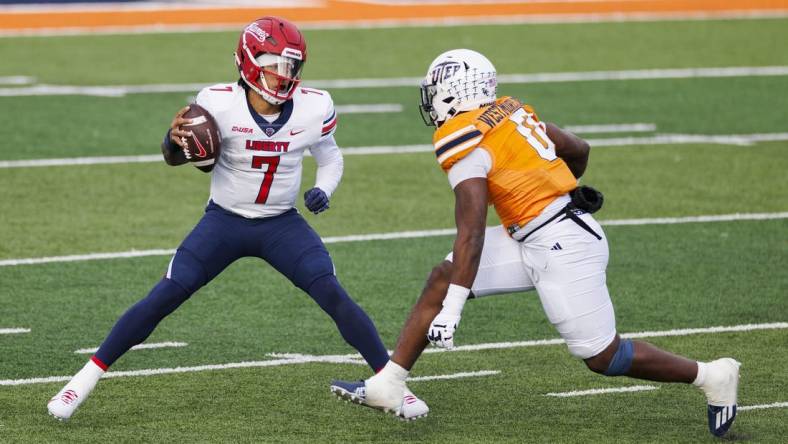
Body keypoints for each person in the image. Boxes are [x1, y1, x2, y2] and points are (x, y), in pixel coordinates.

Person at [330, 49, 740, 437]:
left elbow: (471, 230)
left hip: (564, 244)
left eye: (435, 92)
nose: (433, 101)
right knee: (443, 276)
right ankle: (390, 382)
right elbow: (578, 148)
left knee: (603, 357)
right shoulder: (510, 111)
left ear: (454, 91)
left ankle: (711, 375)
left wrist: (453, 310)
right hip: (537, 232)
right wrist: (562, 187)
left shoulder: (463, 136)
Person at [47, 16, 427, 421]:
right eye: (275, 64)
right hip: (224, 222)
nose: (284, 76)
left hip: (282, 224)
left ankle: (393, 387)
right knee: (165, 295)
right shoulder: (216, 102)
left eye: (291, 66)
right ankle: (79, 383)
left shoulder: (314, 106)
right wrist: (171, 142)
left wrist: (324, 188)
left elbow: (330, 155)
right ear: (248, 61)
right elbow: (184, 158)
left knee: (332, 294)